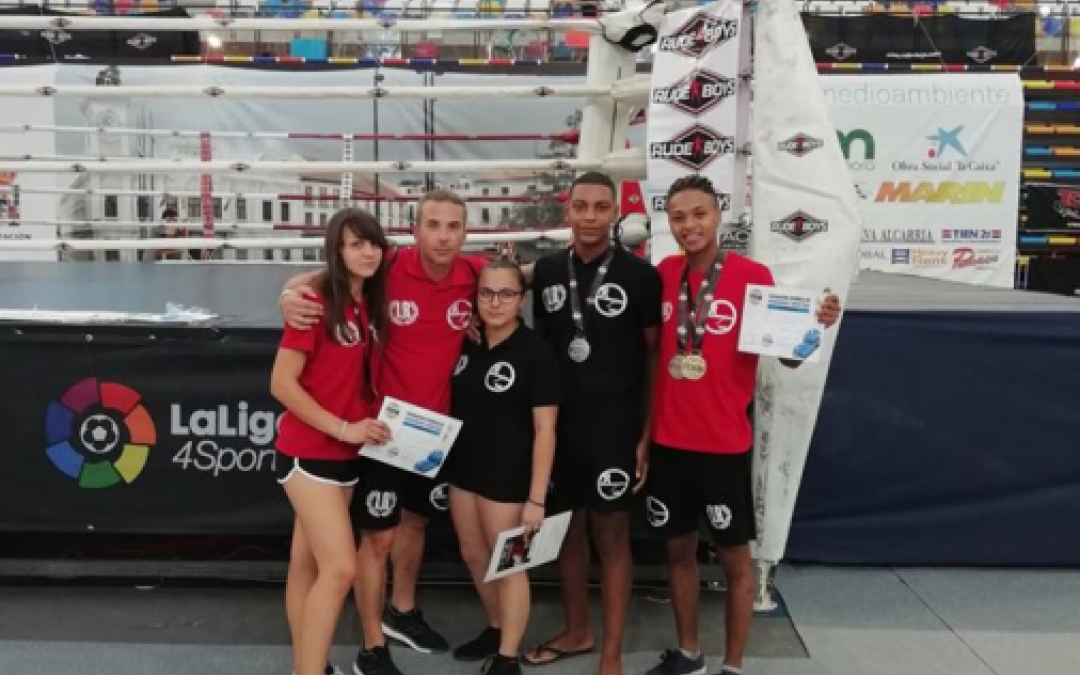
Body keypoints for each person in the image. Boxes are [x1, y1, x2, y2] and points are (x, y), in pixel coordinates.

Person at [281, 190, 484, 675]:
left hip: (430, 433)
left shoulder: (473, 274)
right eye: (432, 224)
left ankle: (398, 615)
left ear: (465, 232)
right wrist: (287, 295)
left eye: (453, 226)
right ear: (414, 231)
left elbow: (522, 277)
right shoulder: (384, 268)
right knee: (365, 547)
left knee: (405, 528)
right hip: (376, 432)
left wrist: (491, 314)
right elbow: (311, 283)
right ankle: (370, 648)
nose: (443, 236)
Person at [644, 176, 841, 675]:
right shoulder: (664, 274)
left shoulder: (752, 276)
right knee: (678, 551)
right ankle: (690, 654)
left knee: (734, 560)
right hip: (669, 443)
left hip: (724, 445)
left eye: (699, 214)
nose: (689, 225)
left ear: (718, 216)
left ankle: (733, 666)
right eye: (679, 217)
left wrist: (814, 325)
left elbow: (788, 357)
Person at [524, 172, 662, 675]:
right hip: (559, 427)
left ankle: (611, 653)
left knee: (612, 535)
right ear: (567, 210)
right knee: (566, 532)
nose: (589, 216)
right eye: (580, 206)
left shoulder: (640, 276)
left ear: (614, 214)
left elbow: (653, 358)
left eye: (600, 207)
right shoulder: (545, 270)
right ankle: (578, 630)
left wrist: (646, 433)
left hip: (614, 427)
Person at [270, 208, 393, 675]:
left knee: (307, 565)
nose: (368, 252)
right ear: (336, 251)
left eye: (373, 243)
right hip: (309, 455)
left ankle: (309, 665)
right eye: (355, 244)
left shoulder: (369, 300)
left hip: (347, 456)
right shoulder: (315, 301)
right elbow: (281, 384)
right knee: (341, 569)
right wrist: (343, 428)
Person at [442, 259, 560, 675]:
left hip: (508, 479)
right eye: (486, 293)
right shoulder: (467, 343)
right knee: (474, 555)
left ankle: (508, 658)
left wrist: (535, 499)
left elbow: (546, 430)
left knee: (508, 566)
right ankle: (496, 628)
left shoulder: (536, 354)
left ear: (521, 300)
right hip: (464, 472)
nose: (495, 302)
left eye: (506, 294)